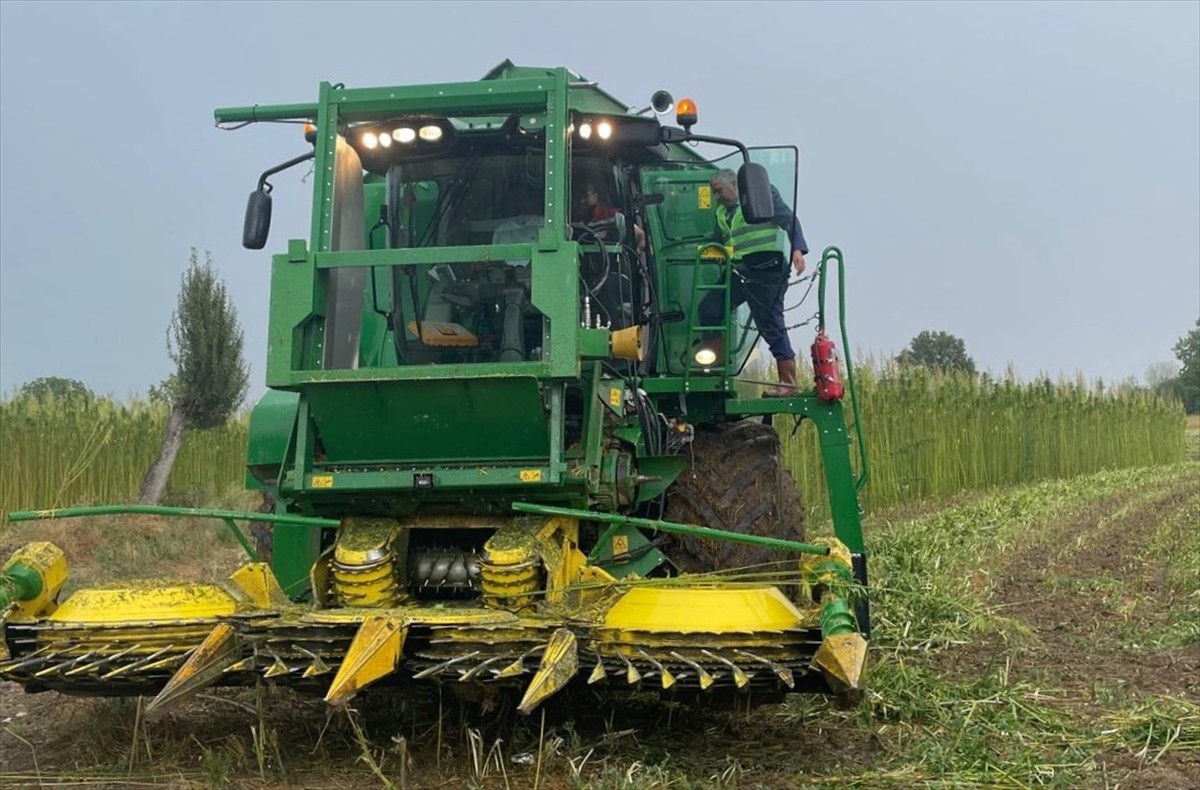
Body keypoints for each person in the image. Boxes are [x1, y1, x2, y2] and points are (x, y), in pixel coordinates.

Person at [697, 168, 808, 397]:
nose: (717, 197)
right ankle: (714, 368)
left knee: (769, 322)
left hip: (767, 271)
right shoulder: (721, 213)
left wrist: (798, 248)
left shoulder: (762, 195)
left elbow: (789, 219)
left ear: (735, 186)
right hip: (739, 271)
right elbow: (718, 241)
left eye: (719, 191)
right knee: (709, 309)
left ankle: (788, 382)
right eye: (714, 193)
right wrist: (705, 251)